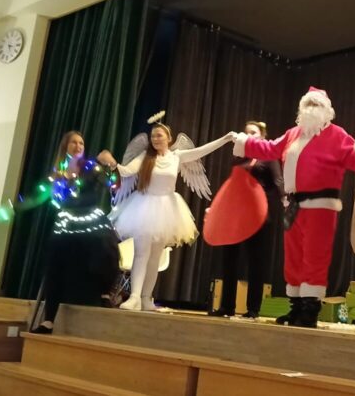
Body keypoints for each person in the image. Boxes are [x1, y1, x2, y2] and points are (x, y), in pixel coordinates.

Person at [232, 87, 355, 328]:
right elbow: (270, 148)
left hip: (321, 206)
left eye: (317, 105)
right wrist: (244, 142)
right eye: (308, 105)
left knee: (315, 256)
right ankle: (296, 307)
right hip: (294, 206)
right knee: (293, 258)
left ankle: (310, 310)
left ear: (327, 110)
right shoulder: (293, 133)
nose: (312, 109)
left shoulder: (337, 135)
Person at [98, 113, 234, 311]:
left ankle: (146, 298)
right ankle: (134, 297)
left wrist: (225, 139)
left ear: (168, 138)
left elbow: (202, 151)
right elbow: (126, 171)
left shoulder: (176, 157)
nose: (155, 139)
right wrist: (112, 162)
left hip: (167, 209)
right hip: (144, 207)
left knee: (155, 257)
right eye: (153, 136)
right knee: (141, 254)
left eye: (159, 135)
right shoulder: (146, 157)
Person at [32, 131, 120, 334]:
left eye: (81, 143)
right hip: (67, 224)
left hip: (91, 222)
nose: (78, 146)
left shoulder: (90, 168)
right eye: (74, 142)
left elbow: (113, 184)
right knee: (55, 263)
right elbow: (48, 198)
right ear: (66, 146)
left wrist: (112, 166)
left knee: (107, 247)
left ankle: (105, 293)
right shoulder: (58, 174)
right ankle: (49, 320)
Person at [210, 121, 284, 318]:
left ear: (262, 137)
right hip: (235, 216)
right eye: (246, 132)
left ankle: (253, 308)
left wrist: (285, 200)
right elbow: (231, 186)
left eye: (253, 132)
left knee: (256, 262)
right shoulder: (238, 157)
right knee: (229, 261)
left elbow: (278, 181)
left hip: (258, 217)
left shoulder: (268, 156)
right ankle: (227, 306)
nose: (248, 135)